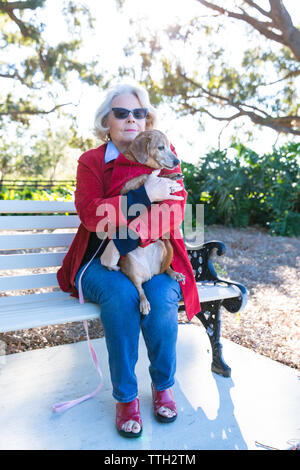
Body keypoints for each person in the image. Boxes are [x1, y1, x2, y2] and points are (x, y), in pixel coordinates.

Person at [57, 82, 200, 438]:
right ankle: (126, 398)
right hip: (96, 260)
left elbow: (174, 210)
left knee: (165, 296)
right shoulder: (91, 162)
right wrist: (142, 194)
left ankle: (164, 386)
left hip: (148, 254)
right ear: (107, 121)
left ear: (147, 118)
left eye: (139, 113)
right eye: (121, 113)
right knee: (122, 296)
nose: (131, 119)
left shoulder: (163, 151)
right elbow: (91, 216)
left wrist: (123, 239)